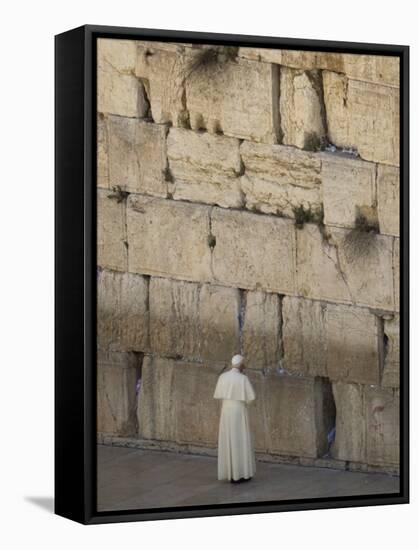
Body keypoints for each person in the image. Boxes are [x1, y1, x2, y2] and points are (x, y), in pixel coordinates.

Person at [213, 354, 256, 483]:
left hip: (226, 411)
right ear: (241, 364)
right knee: (240, 440)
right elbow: (251, 398)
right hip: (239, 411)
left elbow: (219, 394)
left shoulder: (222, 377)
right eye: (244, 364)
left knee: (229, 440)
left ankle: (231, 473)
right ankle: (242, 473)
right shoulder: (243, 379)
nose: (245, 366)